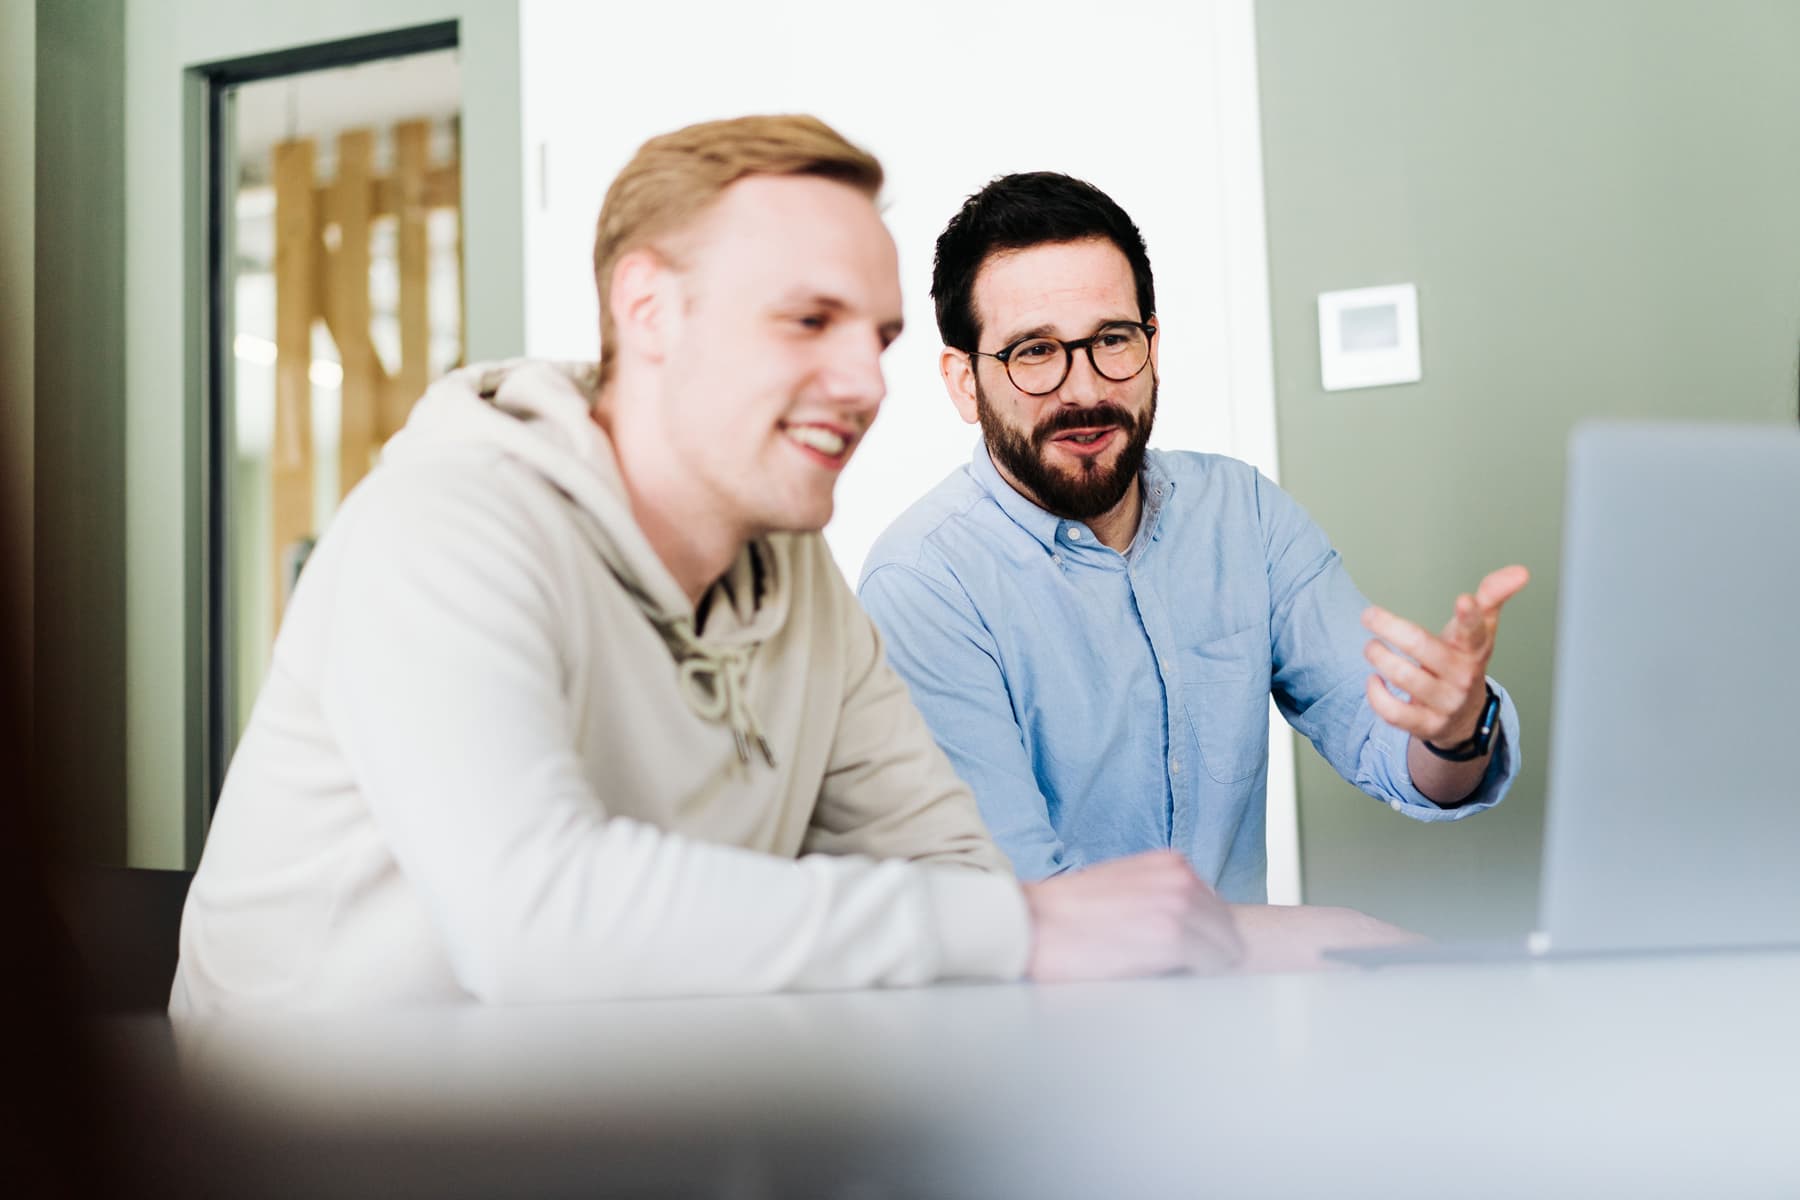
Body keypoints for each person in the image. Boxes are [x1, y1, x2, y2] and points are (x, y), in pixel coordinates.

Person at [171, 118, 1243, 1013]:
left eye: (872, 336)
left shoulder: (800, 576)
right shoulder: (440, 527)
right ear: (648, 309)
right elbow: (534, 923)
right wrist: (1012, 927)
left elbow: (952, 876)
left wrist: (1007, 930)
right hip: (300, 1147)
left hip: (603, 1123)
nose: (864, 382)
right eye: (807, 320)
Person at [859, 172, 1526, 902]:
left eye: (1112, 339)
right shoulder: (922, 584)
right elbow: (1029, 910)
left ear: (1151, 344)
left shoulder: (1243, 515)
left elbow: (1401, 756)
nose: (1085, 390)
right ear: (964, 382)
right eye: (1034, 352)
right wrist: (1307, 937)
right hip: (1047, 1015)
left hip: (1239, 1005)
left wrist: (1455, 730)